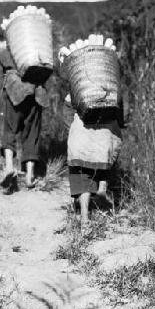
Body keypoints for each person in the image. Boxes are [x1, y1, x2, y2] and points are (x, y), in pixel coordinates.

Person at [64, 90, 129, 228]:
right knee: (103, 159)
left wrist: (71, 128)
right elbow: (121, 115)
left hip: (82, 133)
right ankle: (102, 186)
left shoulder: (79, 85)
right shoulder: (112, 86)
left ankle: (84, 217)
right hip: (105, 135)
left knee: (82, 176)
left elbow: (67, 108)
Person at [0, 33, 49, 194]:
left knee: (9, 130)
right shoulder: (32, 49)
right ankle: (30, 175)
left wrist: (5, 92)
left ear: (2, 41)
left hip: (15, 93)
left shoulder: (2, 53)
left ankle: (10, 167)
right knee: (32, 134)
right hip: (36, 93)